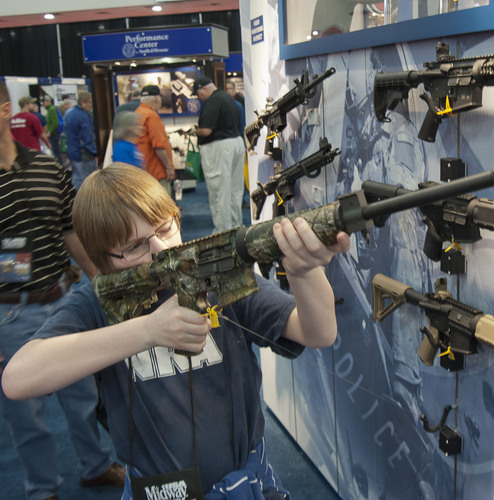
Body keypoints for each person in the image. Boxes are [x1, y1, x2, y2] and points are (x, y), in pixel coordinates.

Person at [1, 163, 351, 499]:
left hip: (248, 481)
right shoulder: (95, 305)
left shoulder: (215, 273)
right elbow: (18, 379)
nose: (161, 250)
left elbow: (318, 333)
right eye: (135, 246)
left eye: (165, 228)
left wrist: (304, 272)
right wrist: (147, 331)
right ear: (104, 260)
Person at [0, 79, 125, 500]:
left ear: (5, 110)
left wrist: (100, 283)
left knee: (83, 394)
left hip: (62, 299)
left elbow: (70, 231)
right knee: (26, 413)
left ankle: (94, 466)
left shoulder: (47, 167)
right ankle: (41, 489)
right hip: (9, 313)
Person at [192, 76, 245, 232]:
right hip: (236, 143)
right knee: (235, 191)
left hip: (219, 148)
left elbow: (206, 131)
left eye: (198, 94)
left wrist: (195, 131)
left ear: (203, 88)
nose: (198, 98)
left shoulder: (213, 101)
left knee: (219, 191)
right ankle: (236, 229)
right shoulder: (228, 99)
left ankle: (222, 233)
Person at [135, 85, 176, 196]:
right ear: (157, 99)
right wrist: (169, 168)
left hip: (143, 173)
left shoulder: (137, 113)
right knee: (162, 209)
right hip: (156, 173)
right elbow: (159, 145)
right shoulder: (151, 116)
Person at [64, 91, 98, 189]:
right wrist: (95, 153)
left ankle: (77, 199)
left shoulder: (69, 112)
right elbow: (87, 137)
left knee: (77, 178)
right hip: (84, 154)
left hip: (72, 152)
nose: (91, 105)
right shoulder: (83, 116)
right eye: (90, 102)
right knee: (91, 181)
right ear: (82, 102)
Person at [44, 95, 65, 163]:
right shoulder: (50, 109)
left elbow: (55, 123)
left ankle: (60, 166)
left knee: (56, 152)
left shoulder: (51, 109)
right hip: (53, 133)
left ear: (48, 101)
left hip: (54, 134)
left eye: (44, 102)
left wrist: (49, 131)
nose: (43, 104)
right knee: (56, 151)